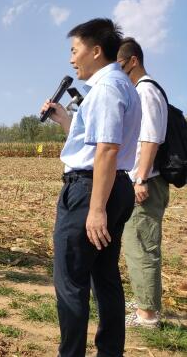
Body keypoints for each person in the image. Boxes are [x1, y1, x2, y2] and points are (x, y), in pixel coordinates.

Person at [40, 18, 141, 357]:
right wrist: (64, 120)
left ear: (96, 51)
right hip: (113, 186)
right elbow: (94, 141)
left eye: (75, 50)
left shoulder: (107, 88)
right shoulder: (122, 85)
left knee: (71, 282)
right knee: (105, 277)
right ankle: (110, 351)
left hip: (90, 190)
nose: (71, 59)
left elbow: (107, 148)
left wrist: (96, 208)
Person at [117, 38, 169, 329]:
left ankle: (148, 316)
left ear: (133, 61)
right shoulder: (142, 91)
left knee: (142, 246)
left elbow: (150, 139)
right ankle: (145, 305)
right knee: (137, 244)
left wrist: (140, 178)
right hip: (144, 180)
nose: (118, 71)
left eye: (120, 65)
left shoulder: (146, 91)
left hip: (145, 182)